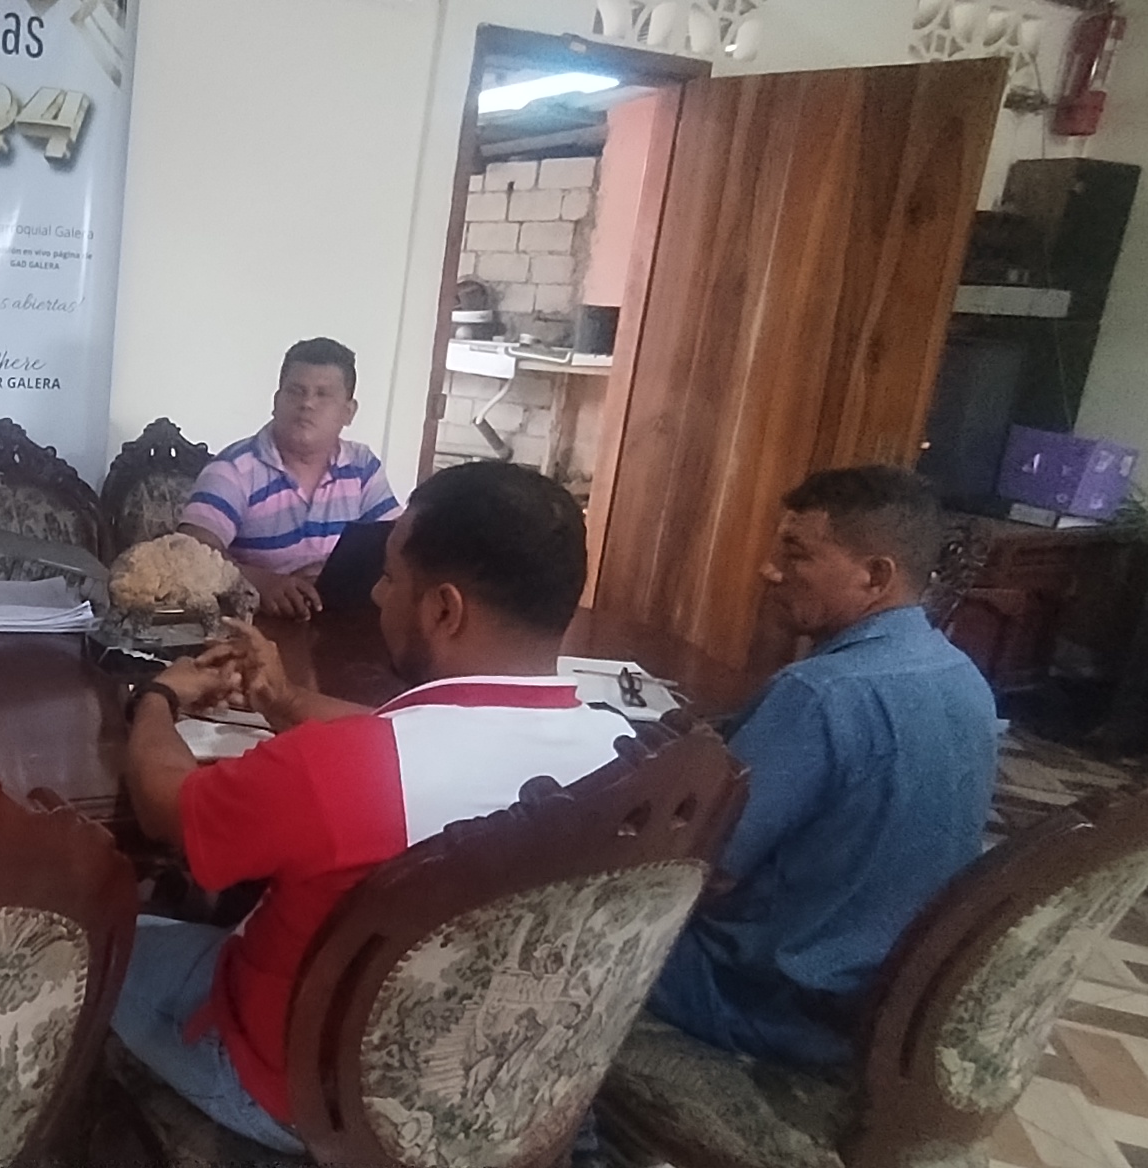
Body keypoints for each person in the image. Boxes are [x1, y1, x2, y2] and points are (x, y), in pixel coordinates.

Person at [119, 461, 632, 1151]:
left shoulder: (346, 773)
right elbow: (409, 737)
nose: (375, 593)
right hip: (503, 1083)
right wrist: (280, 700)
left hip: (301, 1092)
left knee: (102, 943)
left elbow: (167, 810)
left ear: (444, 609)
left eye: (390, 578)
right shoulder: (624, 753)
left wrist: (156, 699)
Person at [646, 465, 998, 1069]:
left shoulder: (819, 694)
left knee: (549, 920)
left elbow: (702, 871)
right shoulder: (962, 676)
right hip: (891, 993)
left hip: (774, 1002)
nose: (769, 569)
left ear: (875, 576)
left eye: (796, 553)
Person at [178, 337, 401, 620]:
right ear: (276, 401)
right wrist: (255, 581)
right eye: (296, 391)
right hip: (250, 628)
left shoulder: (362, 467)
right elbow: (190, 552)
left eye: (323, 394)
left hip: (341, 624)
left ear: (348, 412)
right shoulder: (234, 469)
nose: (307, 403)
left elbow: (398, 545)